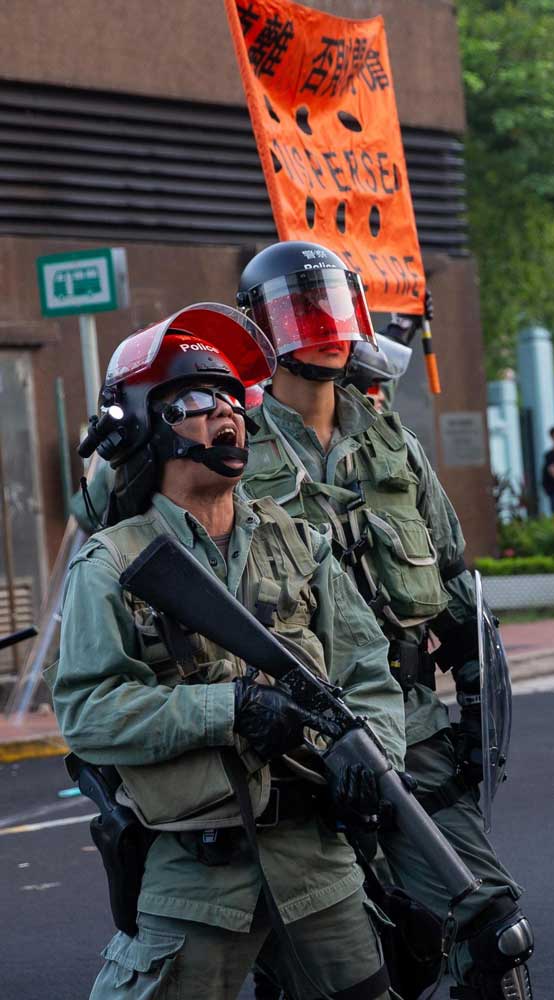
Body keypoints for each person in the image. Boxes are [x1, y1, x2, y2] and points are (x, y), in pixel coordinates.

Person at [51, 303, 406, 999]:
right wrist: (230, 709)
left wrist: (373, 757)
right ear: (143, 431)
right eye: (193, 401)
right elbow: (88, 712)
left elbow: (367, 670)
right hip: (199, 868)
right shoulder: (114, 564)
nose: (226, 417)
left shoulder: (300, 540)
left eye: (231, 400)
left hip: (318, 861)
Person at [234, 241, 534, 999]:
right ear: (262, 329)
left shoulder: (391, 444)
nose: (324, 327)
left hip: (410, 724)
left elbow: (455, 580)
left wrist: (476, 708)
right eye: (301, 312)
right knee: (329, 972)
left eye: (331, 306)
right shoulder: (235, 449)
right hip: (294, 743)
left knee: (491, 927)